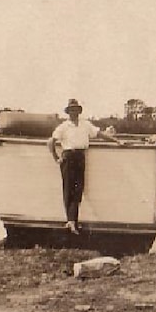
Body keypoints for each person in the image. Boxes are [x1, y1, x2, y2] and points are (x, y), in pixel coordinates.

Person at [47, 99, 123, 235]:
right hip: (68, 156)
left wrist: (117, 141)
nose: (74, 112)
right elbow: (50, 142)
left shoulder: (85, 124)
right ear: (68, 112)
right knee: (68, 188)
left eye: (76, 110)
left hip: (80, 156)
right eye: (71, 110)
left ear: (79, 111)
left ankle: (72, 221)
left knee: (78, 189)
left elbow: (100, 134)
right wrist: (56, 157)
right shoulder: (63, 127)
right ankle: (71, 222)